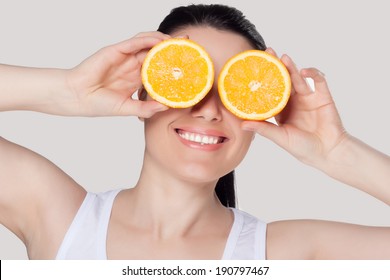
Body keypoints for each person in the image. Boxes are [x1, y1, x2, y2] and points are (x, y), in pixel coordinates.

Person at [0, 4, 389, 260]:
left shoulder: (284, 253)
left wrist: (336, 151)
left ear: (263, 110)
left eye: (237, 92)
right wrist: (70, 90)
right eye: (187, 82)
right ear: (144, 92)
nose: (209, 110)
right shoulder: (56, 215)